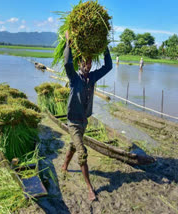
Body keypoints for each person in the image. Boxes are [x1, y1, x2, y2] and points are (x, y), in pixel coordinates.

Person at [61, 31, 112, 201]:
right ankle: (90, 188)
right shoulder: (74, 78)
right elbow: (67, 63)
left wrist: (105, 47)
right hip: (73, 122)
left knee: (73, 146)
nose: (87, 65)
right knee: (82, 152)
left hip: (84, 122)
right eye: (84, 62)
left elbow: (108, 67)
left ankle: (64, 165)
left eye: (89, 62)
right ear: (80, 63)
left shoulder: (93, 77)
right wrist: (68, 42)